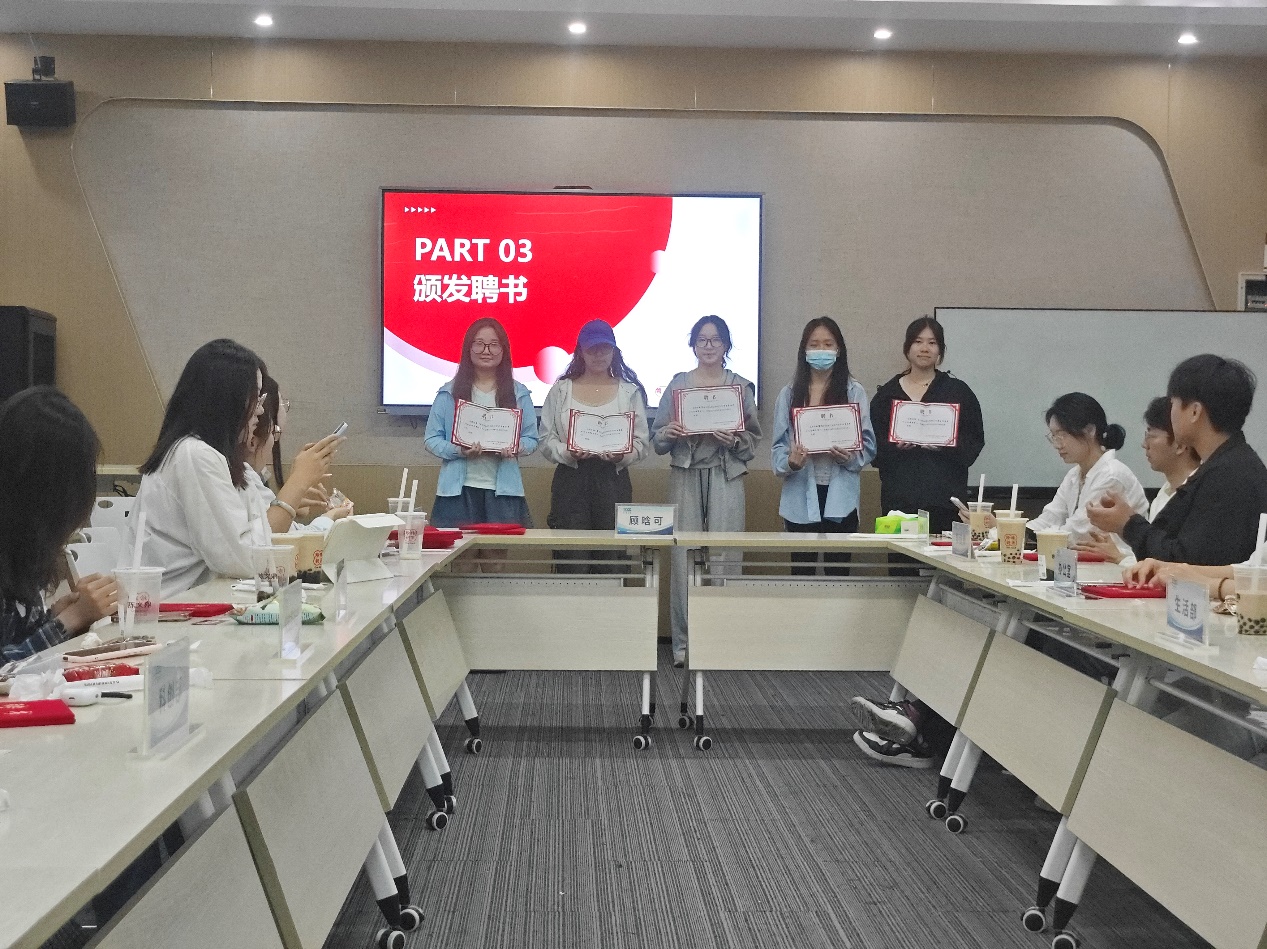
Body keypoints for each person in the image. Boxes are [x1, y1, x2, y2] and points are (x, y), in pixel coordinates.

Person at [852, 392, 1148, 768]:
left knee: (995, 633)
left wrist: (1007, 530)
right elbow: (1048, 521)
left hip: (1103, 596)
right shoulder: (1077, 475)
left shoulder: (1111, 476)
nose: (1057, 443)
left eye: (1061, 435)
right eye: (1053, 436)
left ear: (1089, 431)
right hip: (1073, 583)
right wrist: (1003, 527)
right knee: (974, 621)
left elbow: (1071, 532)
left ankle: (920, 725)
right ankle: (917, 719)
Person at [133, 339, 341, 596]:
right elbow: (244, 559)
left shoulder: (225, 461)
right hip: (169, 606)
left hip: (208, 600)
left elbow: (265, 542)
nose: (261, 410)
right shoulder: (193, 454)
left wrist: (298, 504)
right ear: (228, 400)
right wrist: (296, 484)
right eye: (257, 397)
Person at [651, 315, 761, 667]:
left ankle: (723, 642)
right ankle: (683, 646)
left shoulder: (740, 387)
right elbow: (657, 440)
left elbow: (752, 443)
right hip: (685, 474)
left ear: (726, 345)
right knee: (683, 556)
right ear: (693, 345)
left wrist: (734, 440)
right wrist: (669, 433)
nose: (709, 346)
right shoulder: (678, 385)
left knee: (726, 556)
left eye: (715, 340)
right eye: (702, 340)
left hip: (726, 475)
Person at [1089, 355, 1267, 565]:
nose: (1171, 413)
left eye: (1173, 404)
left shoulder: (1231, 475)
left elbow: (1189, 563)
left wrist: (1128, 524)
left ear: (1194, 412)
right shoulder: (1224, 466)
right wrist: (1127, 522)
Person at [0, 387, 119, 662]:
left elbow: (13, 640)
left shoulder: (21, 546)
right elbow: (6, 666)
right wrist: (70, 620)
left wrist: (55, 618)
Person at [539, 320, 650, 572]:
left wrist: (623, 456)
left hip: (613, 480)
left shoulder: (629, 392)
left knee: (612, 559)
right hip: (571, 478)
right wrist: (567, 452)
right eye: (592, 349)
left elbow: (642, 442)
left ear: (614, 351)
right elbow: (545, 439)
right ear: (580, 351)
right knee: (572, 559)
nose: (599, 354)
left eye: (605, 348)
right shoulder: (561, 391)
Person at [771, 317, 876, 575]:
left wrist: (848, 457)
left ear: (839, 350)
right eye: (814, 344)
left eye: (828, 344)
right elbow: (777, 450)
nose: (821, 350)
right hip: (800, 494)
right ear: (804, 350)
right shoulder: (789, 394)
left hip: (841, 497)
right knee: (802, 574)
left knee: (837, 575)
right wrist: (790, 463)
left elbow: (869, 446)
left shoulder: (854, 392)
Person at [870, 316, 985, 535]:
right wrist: (895, 447)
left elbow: (974, 441)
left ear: (940, 350)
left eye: (932, 343)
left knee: (944, 556)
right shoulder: (887, 394)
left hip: (945, 501)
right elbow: (873, 448)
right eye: (918, 341)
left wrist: (946, 445)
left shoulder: (958, 392)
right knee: (901, 556)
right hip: (899, 503)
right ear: (907, 347)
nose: (924, 348)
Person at [424, 317, 538, 533]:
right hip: (457, 492)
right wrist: (458, 450)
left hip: (503, 491)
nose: (486, 351)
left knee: (495, 552)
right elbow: (431, 439)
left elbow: (531, 439)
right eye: (479, 343)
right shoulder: (448, 393)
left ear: (503, 350)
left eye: (494, 344)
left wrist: (516, 447)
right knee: (460, 551)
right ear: (468, 348)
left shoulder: (519, 394)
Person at [1076, 396, 1200, 563]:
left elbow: (1178, 564)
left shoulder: (1201, 494)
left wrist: (1123, 531)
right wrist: (1119, 555)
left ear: (1180, 445)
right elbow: (1157, 557)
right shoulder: (1165, 492)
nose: (1144, 444)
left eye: (1151, 436)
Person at [245, 374, 353, 534]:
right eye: (275, 433)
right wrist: (298, 483)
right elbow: (270, 540)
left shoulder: (252, 478)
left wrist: (292, 495)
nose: (259, 409)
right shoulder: (240, 477)